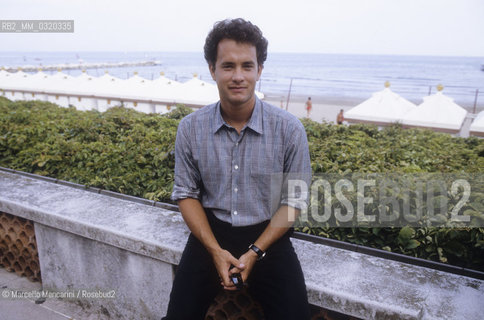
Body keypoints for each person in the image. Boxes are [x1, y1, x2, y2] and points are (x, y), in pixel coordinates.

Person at [163, 18, 311, 320]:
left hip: (270, 234)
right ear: (212, 69)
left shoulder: (289, 129)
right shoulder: (190, 128)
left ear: (259, 70)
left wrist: (255, 252)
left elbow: (293, 202)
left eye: (247, 66)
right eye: (228, 66)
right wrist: (215, 251)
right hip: (211, 231)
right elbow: (187, 194)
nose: (238, 76)